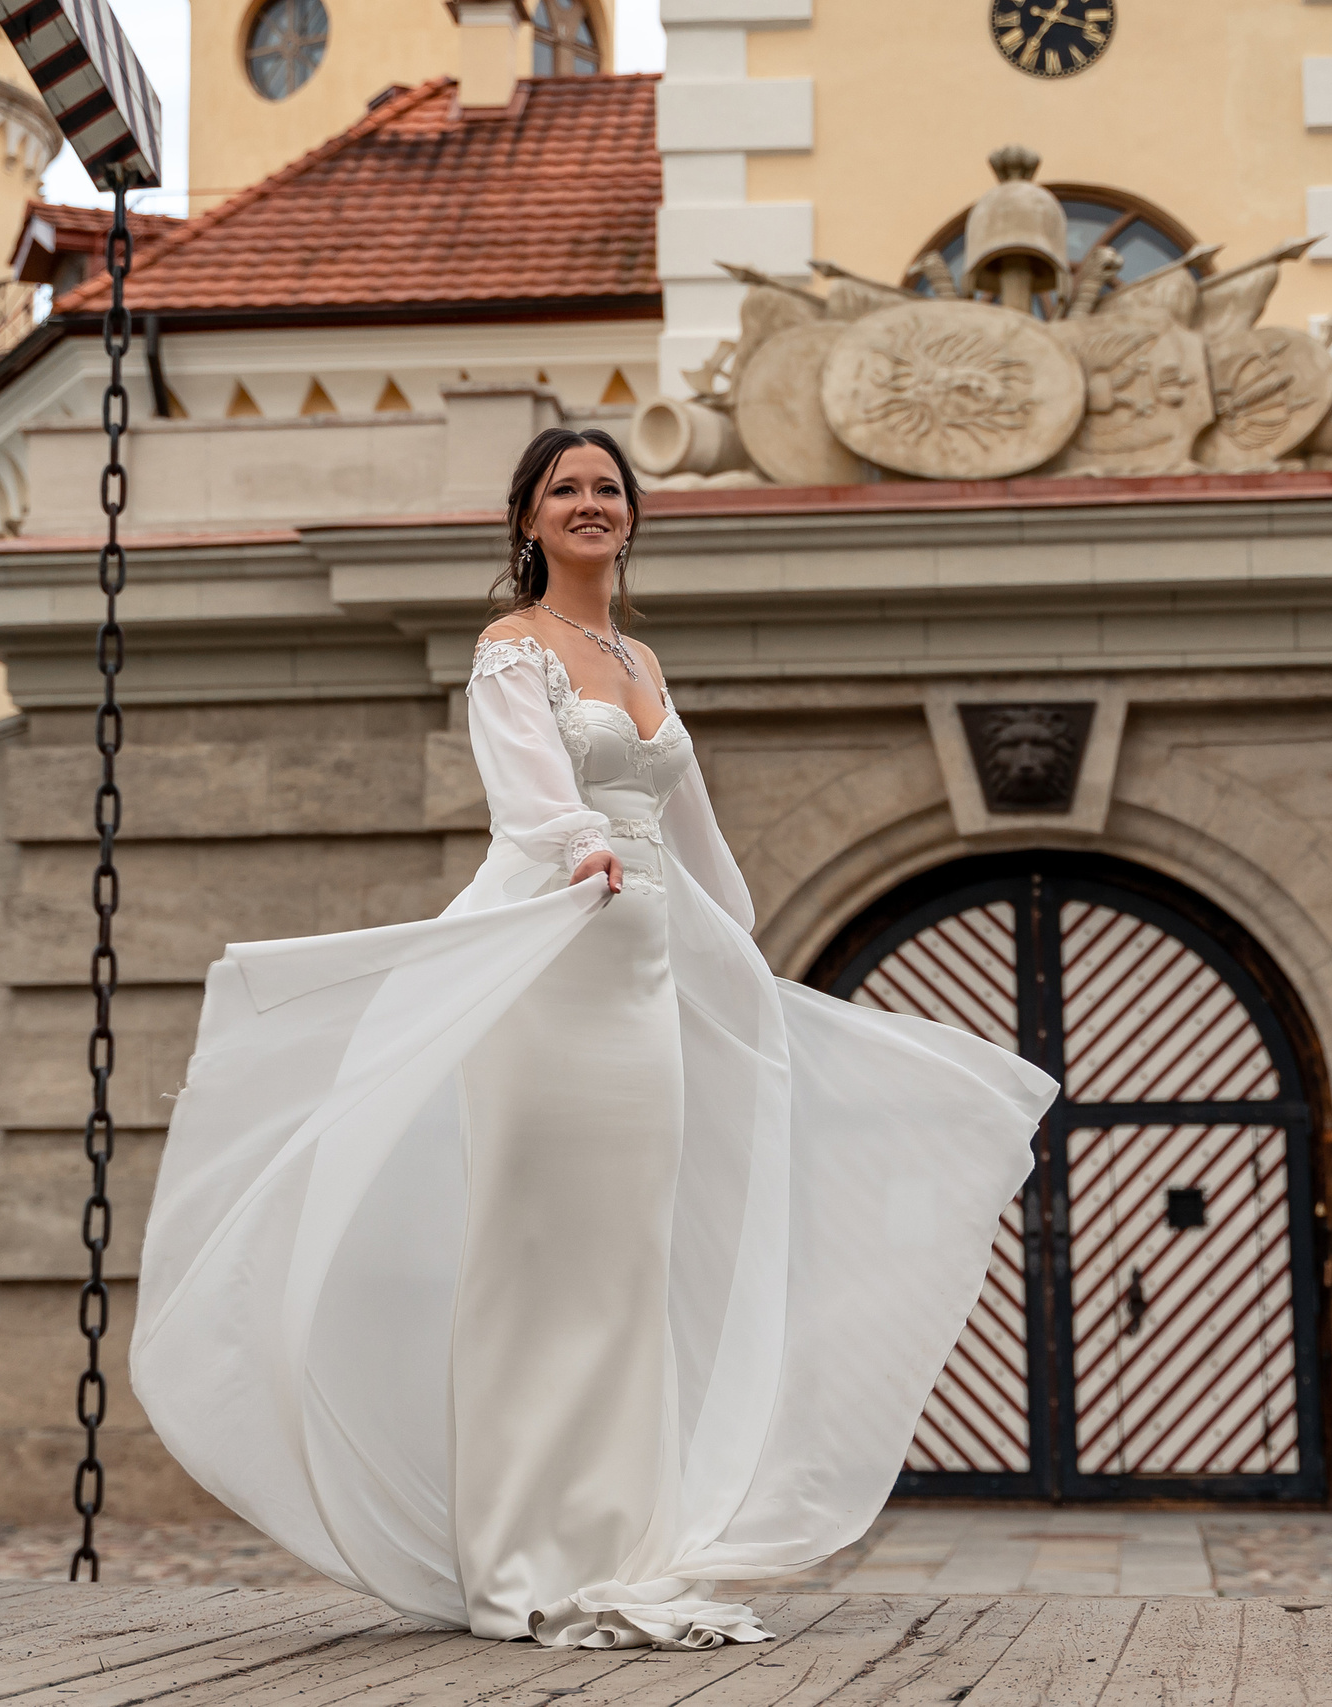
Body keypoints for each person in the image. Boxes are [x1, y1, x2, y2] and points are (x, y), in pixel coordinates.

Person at [131, 428, 1057, 1649]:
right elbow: (529, 795)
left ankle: (617, 1541)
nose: (588, 503)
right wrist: (584, 850)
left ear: (632, 517)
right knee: (538, 1256)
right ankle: (516, 1557)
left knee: (628, 1263)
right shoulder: (511, 650)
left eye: (607, 489)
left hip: (650, 966)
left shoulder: (641, 657)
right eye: (564, 489)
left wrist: (741, 957)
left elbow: (697, 825)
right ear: (525, 519)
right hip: (558, 951)